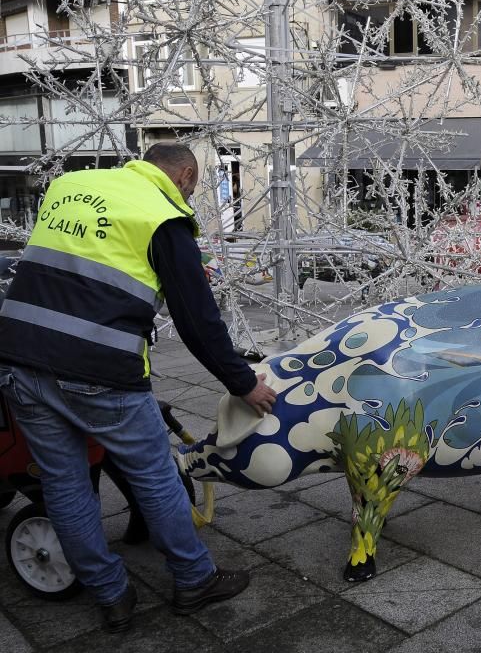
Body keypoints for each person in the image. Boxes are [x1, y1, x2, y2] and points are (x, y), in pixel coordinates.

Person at [0, 143, 277, 633]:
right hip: (98, 371)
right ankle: (194, 579)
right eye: (192, 188)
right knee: (155, 476)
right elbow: (197, 318)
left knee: (63, 483)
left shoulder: (69, 187)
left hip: (18, 358)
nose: (191, 198)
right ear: (185, 175)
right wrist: (242, 384)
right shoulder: (163, 215)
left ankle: (111, 595)